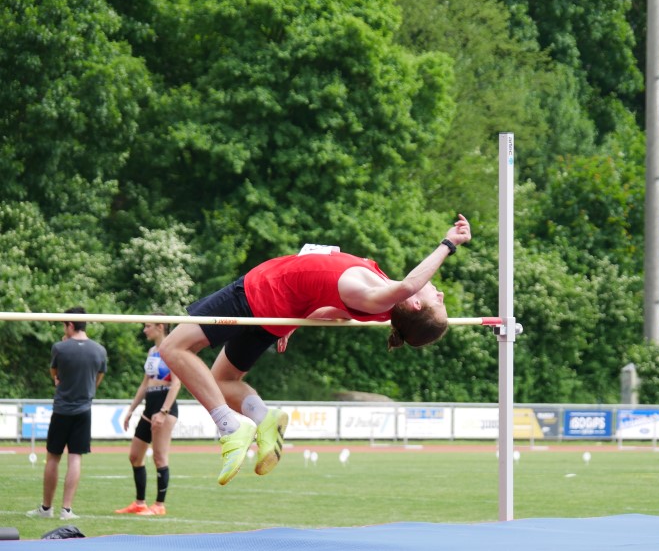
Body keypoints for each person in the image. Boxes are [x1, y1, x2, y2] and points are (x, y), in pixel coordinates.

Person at [160, 213, 472, 485]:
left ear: (416, 301)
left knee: (174, 347)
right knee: (221, 382)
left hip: (259, 292)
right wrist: (294, 324)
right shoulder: (376, 302)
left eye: (437, 301)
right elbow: (330, 310)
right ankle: (264, 418)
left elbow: (407, 285)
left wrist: (448, 244)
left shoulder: (383, 297)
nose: (441, 293)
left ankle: (229, 426)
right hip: (276, 313)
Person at [27, 307, 108, 521]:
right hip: (84, 409)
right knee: (75, 458)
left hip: (62, 409)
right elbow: (98, 378)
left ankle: (46, 508)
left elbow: (55, 375)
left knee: (53, 457)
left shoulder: (60, 348)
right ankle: (67, 510)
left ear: (70, 325)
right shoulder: (99, 350)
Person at [115, 315, 181, 516]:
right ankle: (140, 503)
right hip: (149, 405)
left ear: (160, 327)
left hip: (164, 406)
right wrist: (131, 410)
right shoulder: (152, 351)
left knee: (160, 457)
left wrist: (163, 412)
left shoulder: (173, 350)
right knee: (135, 456)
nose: (145, 330)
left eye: (148, 326)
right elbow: (145, 383)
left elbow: (176, 383)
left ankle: (159, 505)